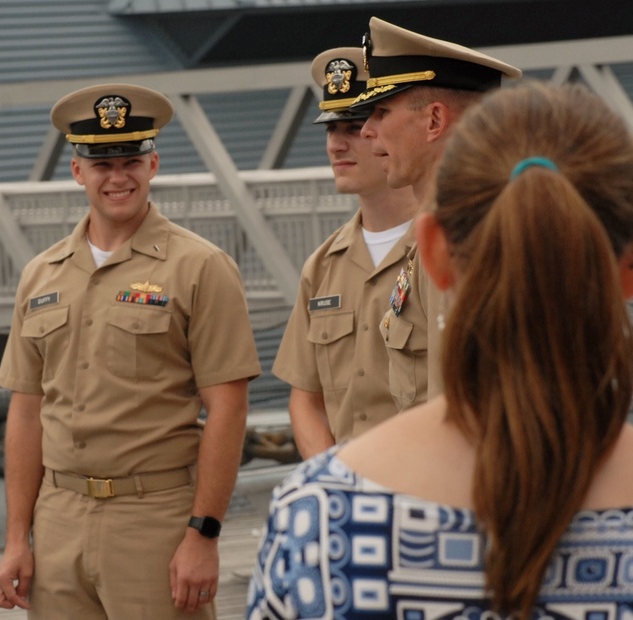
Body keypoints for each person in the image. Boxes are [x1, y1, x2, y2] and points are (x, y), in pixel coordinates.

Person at [248, 80, 633, 618]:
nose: (356, 136)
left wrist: (337, 482)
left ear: (431, 251)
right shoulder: (325, 264)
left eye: (372, 117)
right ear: (628, 266)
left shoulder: (315, 519)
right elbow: (305, 394)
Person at [0, 83, 262, 619]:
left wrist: (203, 534)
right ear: (77, 172)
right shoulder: (40, 274)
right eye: (102, 164)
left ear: (153, 163)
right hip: (59, 520)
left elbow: (227, 407)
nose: (118, 177)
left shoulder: (199, 267)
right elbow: (25, 412)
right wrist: (16, 539)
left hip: (154, 520)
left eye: (131, 160)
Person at [352, 17, 521, 401]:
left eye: (381, 113)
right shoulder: (463, 221)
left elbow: (458, 413)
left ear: (434, 121)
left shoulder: (463, 234)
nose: (366, 131)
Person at [272, 47, 420, 458]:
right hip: (351, 502)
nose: (337, 145)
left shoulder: (451, 248)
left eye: (354, 128)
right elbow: (306, 399)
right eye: (330, 130)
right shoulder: (321, 267)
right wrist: (334, 483)